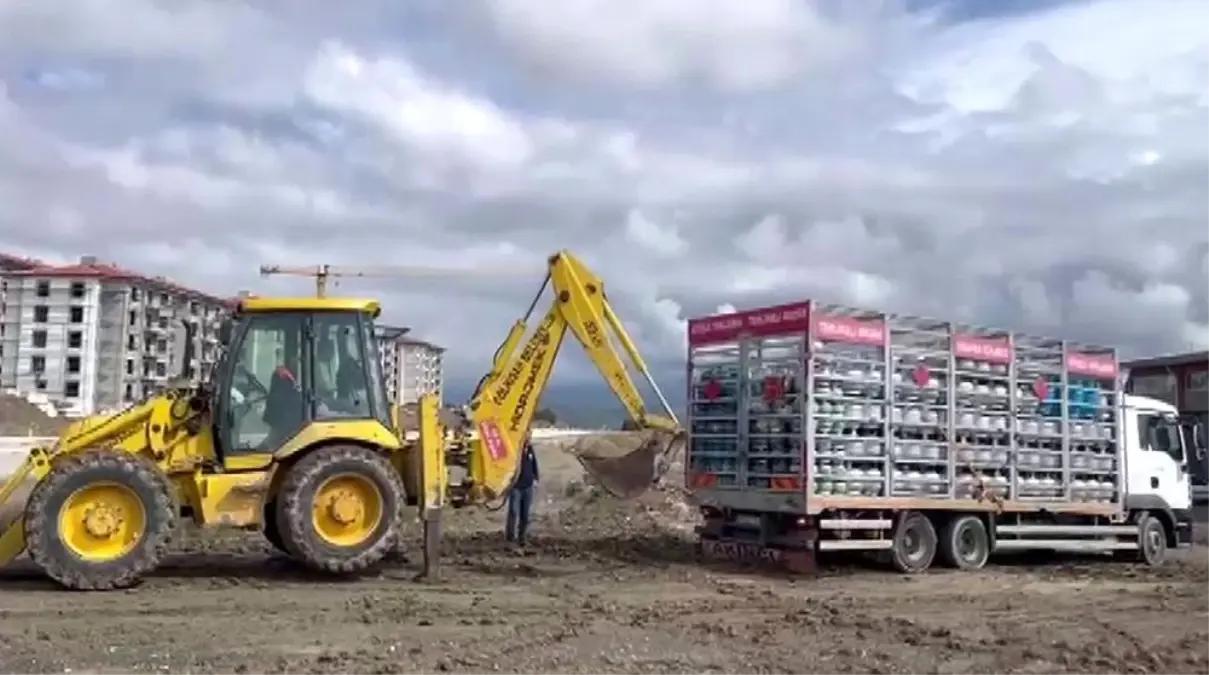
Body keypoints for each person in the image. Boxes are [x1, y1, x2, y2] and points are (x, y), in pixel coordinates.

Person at [505, 434, 540, 547]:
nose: (528, 438)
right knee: (513, 512)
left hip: (528, 486)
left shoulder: (530, 449)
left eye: (529, 436)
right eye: (526, 436)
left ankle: (522, 538)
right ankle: (510, 538)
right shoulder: (514, 449)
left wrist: (536, 478)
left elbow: (534, 464)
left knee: (525, 514)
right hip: (516, 486)